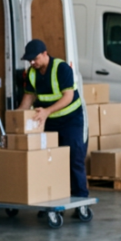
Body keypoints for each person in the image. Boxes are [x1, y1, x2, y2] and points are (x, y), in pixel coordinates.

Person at [18, 39, 88, 199]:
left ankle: (81, 198)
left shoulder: (61, 68)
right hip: (49, 120)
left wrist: (47, 111)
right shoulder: (31, 73)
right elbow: (29, 97)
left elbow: (68, 96)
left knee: (74, 158)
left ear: (45, 53)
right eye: (30, 60)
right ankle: (54, 197)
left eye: (35, 58)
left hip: (71, 120)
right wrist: (17, 118)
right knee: (50, 160)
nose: (32, 62)